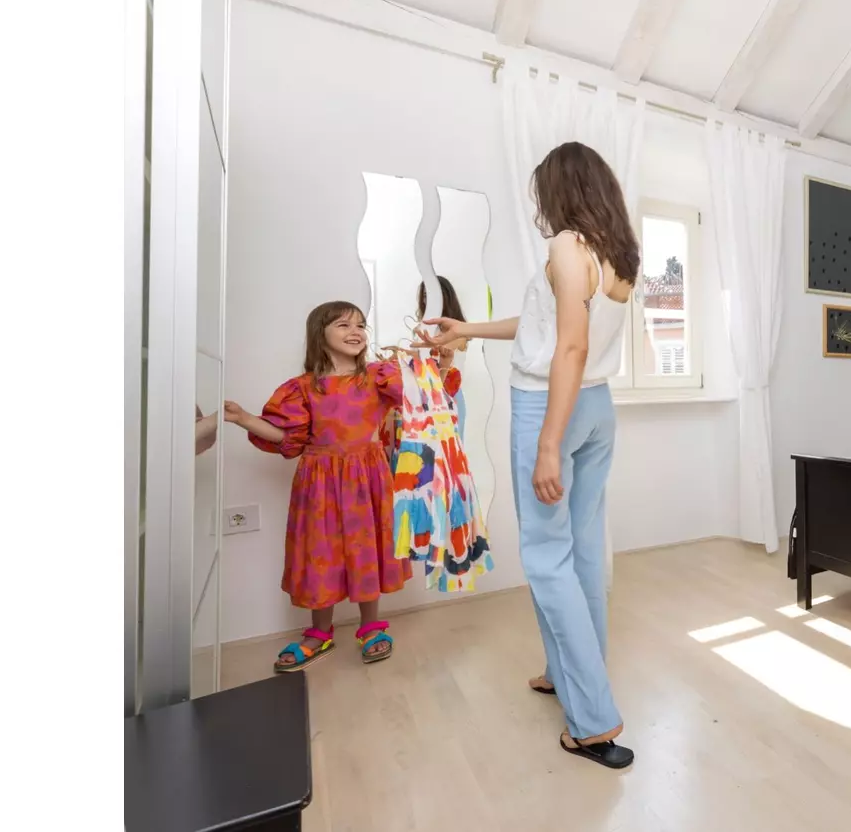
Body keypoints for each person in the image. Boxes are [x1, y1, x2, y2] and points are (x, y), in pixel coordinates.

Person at [415, 141, 638, 769]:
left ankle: (592, 720)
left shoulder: (567, 244)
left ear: (560, 189)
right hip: (596, 409)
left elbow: (569, 348)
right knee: (581, 551)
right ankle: (568, 674)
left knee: (546, 555)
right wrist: (468, 329)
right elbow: (548, 326)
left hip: (552, 408)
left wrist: (547, 445)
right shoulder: (618, 253)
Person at [224, 300, 461, 672]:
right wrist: (243, 418)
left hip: (368, 477)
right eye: (343, 325)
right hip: (318, 481)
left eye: (360, 325)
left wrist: (443, 366)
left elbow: (424, 403)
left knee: (367, 546)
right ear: (320, 334)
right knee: (320, 550)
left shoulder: (378, 376)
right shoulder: (302, 388)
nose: (355, 332)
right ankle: (320, 632)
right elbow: (287, 438)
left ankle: (370, 626)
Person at [415, 276, 468, 439]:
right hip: (424, 395)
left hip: (450, 394)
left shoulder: (459, 330)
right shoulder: (420, 329)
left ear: (445, 296)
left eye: (432, 295)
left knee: (452, 449)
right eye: (425, 295)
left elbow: (451, 346)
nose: (427, 300)